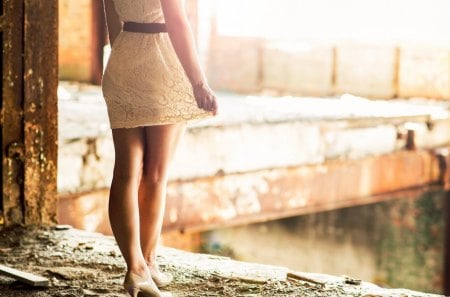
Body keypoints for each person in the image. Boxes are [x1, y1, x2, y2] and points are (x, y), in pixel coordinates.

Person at [102, 0, 218, 296]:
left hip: (123, 58)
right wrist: (199, 82)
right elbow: (177, 21)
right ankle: (148, 262)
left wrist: (126, 55)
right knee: (155, 174)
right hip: (163, 60)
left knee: (126, 173)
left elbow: (113, 21)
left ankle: (136, 268)